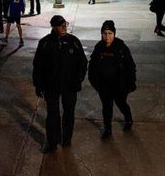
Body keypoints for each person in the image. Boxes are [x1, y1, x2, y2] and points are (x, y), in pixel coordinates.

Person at [32, 15, 88, 153]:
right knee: (52, 114)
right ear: (53, 27)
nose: (64, 27)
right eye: (60, 25)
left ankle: (66, 139)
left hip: (70, 86)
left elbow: (83, 61)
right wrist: (38, 85)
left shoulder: (73, 41)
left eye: (65, 24)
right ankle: (52, 142)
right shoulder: (45, 43)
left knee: (69, 113)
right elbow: (38, 65)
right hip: (51, 86)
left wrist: (79, 78)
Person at [87, 20, 137, 138]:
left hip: (119, 85)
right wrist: (95, 82)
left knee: (121, 103)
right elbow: (92, 66)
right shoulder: (99, 47)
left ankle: (128, 119)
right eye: (105, 33)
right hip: (104, 85)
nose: (107, 36)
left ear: (114, 34)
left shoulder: (121, 47)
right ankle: (107, 128)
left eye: (110, 33)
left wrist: (131, 83)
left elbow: (130, 66)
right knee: (107, 107)